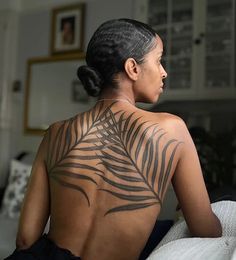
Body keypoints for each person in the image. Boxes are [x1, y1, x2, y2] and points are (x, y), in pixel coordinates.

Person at [5, 18, 222, 260]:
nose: (164, 72)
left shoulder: (55, 132)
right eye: (159, 60)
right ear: (133, 68)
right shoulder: (171, 129)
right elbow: (207, 231)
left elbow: (25, 238)